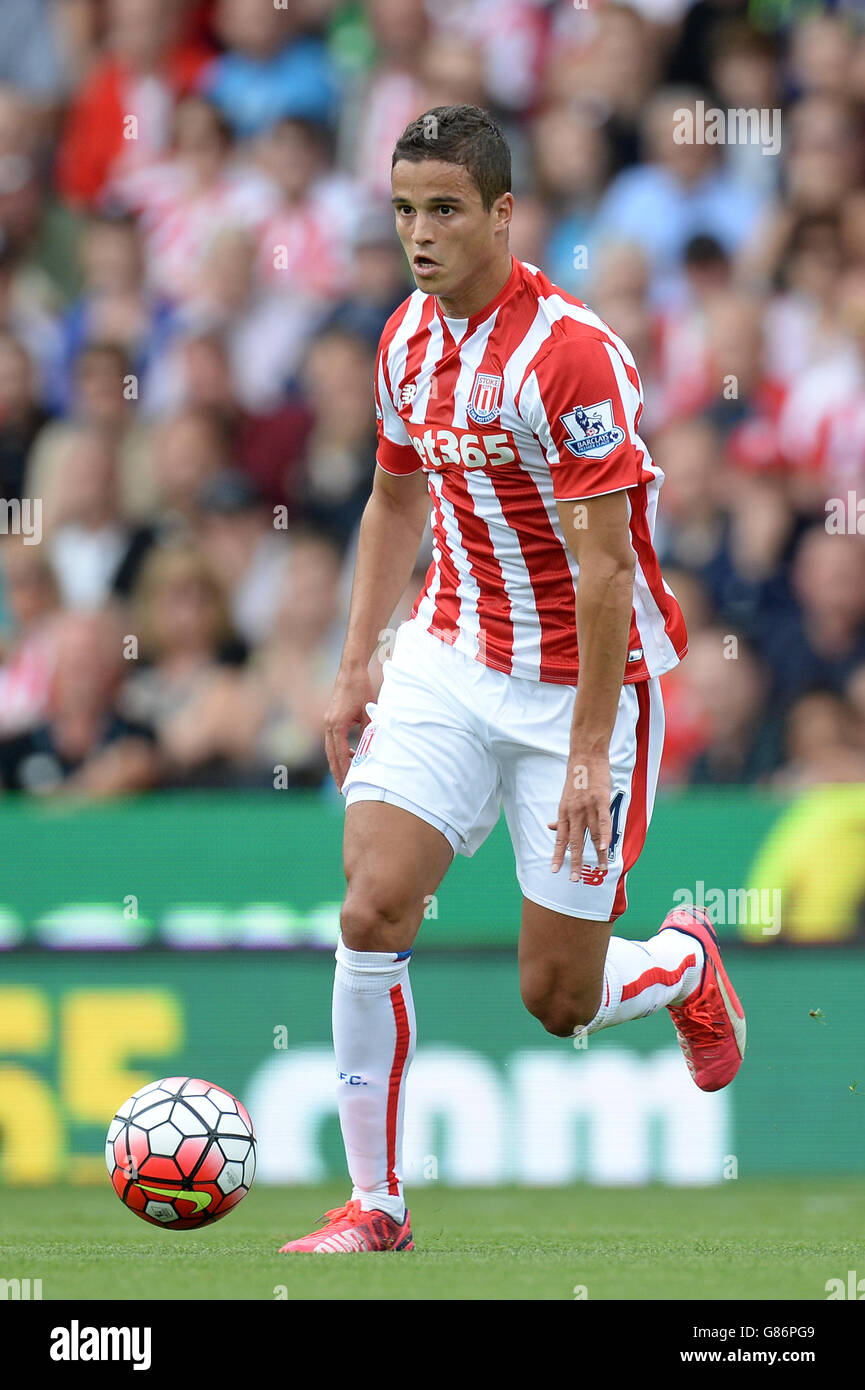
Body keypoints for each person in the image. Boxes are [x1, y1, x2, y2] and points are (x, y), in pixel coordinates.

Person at [279, 104, 746, 1257]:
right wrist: (353, 669)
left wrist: (587, 752)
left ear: (502, 212)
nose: (419, 234)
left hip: (581, 686)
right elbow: (396, 501)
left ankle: (684, 963)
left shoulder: (570, 353)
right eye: (402, 211)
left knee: (559, 999)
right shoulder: (402, 341)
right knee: (369, 904)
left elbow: (601, 576)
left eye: (444, 209)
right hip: (448, 653)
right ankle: (375, 1206)